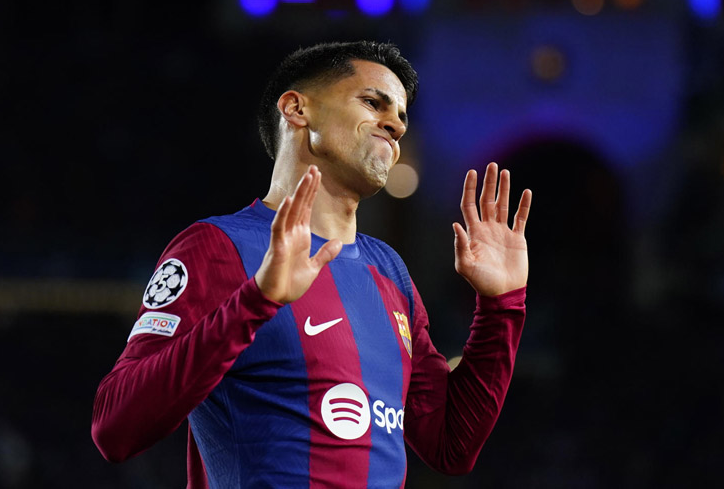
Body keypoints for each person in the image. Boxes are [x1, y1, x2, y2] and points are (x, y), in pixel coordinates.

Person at [91, 41, 532, 488]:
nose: (397, 125)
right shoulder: (217, 247)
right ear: (297, 109)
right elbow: (114, 429)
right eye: (373, 102)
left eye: (401, 116)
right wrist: (255, 302)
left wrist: (502, 306)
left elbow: (450, 445)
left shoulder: (389, 271)